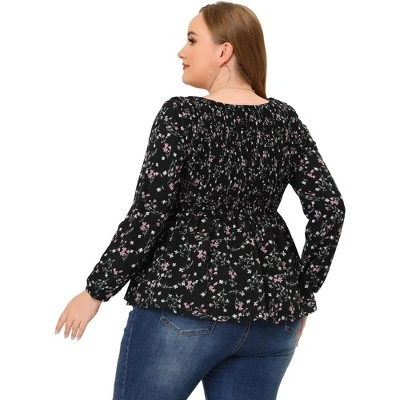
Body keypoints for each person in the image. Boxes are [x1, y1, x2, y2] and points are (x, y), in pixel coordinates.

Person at [55, 2, 346, 399]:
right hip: (272, 319)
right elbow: (330, 208)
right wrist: (300, 293)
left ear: (224, 51)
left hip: (184, 306)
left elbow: (150, 214)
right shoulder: (284, 120)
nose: (182, 51)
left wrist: (96, 291)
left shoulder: (182, 115)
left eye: (192, 40)